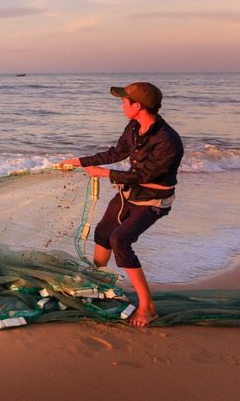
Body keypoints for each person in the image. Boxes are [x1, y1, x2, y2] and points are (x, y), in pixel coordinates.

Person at [60, 82, 183, 328]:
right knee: (104, 233)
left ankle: (148, 307)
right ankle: (98, 284)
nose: (121, 105)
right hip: (130, 192)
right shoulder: (134, 126)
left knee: (121, 240)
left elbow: (145, 177)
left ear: (137, 106)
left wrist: (104, 174)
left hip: (153, 199)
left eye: (124, 101)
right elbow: (117, 153)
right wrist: (80, 161)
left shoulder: (168, 141)